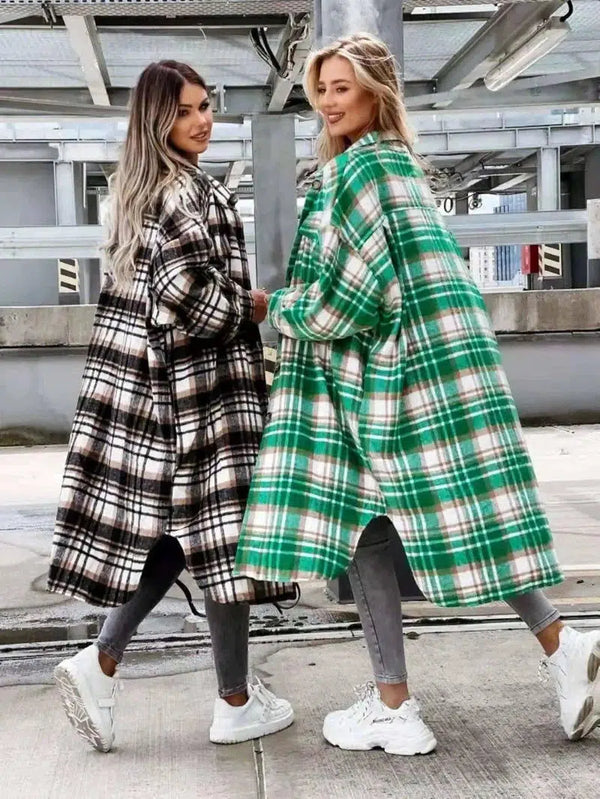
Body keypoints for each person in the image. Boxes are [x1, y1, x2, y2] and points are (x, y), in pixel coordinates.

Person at [234, 33, 600, 755]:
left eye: (342, 87)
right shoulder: (400, 166)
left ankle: (395, 706)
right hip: (440, 366)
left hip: (385, 377)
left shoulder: (354, 172)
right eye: (321, 89)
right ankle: (562, 646)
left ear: (376, 92)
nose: (328, 102)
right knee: (464, 514)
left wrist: (277, 309)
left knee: (365, 525)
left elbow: (349, 300)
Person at [47, 60, 295, 753]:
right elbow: (185, 290)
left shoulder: (137, 191)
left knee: (186, 539)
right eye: (185, 110)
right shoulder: (188, 191)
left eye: (205, 106)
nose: (202, 120)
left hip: (145, 389)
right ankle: (230, 701)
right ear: (157, 119)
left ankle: (109, 665)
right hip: (199, 390)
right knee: (223, 539)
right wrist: (250, 306)